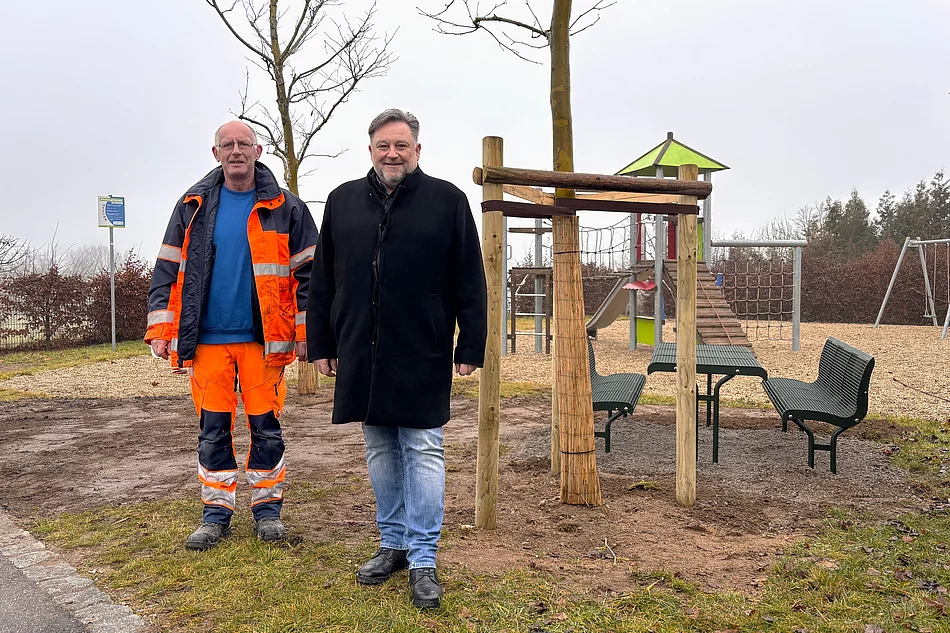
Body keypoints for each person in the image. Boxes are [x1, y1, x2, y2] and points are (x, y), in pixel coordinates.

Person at [307, 109, 487, 608]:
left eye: (401, 146)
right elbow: (324, 279)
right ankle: (394, 544)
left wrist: (470, 344)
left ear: (417, 151)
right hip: (360, 346)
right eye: (384, 145)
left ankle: (424, 557)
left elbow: (469, 278)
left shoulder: (448, 201)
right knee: (380, 447)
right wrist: (320, 342)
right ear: (370, 150)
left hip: (422, 345)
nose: (392, 154)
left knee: (423, 447)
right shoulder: (342, 201)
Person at [145, 121, 318, 551]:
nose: (236, 150)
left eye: (244, 144)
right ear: (215, 152)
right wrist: (161, 328)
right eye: (228, 144)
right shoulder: (192, 205)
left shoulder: (287, 207)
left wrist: (306, 331)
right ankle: (215, 514)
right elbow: (167, 268)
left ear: (258, 151)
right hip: (206, 340)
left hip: (264, 341)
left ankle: (268, 511)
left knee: (266, 429)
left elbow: (310, 276)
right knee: (213, 430)